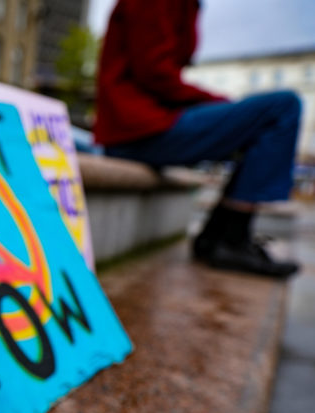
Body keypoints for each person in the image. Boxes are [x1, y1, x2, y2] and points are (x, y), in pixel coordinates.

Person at [94, 0, 301, 277]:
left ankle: (220, 234)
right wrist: (222, 104)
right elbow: (154, 72)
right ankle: (228, 238)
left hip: (146, 124)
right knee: (282, 108)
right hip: (139, 128)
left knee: (268, 116)